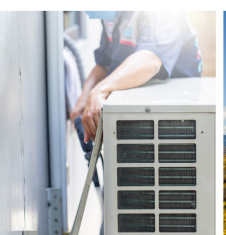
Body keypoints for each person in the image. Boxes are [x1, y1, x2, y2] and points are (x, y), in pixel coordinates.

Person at [70, 11, 202, 144]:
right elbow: (104, 65)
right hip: (139, 117)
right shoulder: (111, 16)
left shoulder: (160, 12)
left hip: (174, 119)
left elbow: (150, 59)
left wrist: (99, 91)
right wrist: (85, 98)